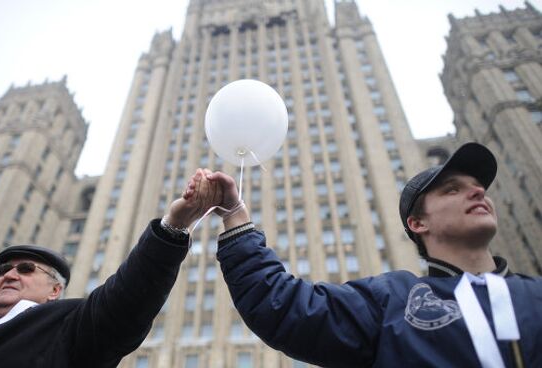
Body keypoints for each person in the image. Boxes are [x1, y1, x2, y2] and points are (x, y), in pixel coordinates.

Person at [190, 142, 541, 367]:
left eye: (479, 188)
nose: (478, 192)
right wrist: (235, 214)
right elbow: (281, 304)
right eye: (453, 189)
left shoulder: (535, 296)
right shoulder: (391, 300)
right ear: (417, 223)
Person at [0, 170, 218, 368]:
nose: (9, 274)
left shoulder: (67, 329)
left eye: (26, 268)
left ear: (55, 290)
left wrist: (174, 226)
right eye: (5, 269)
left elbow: (128, 299)